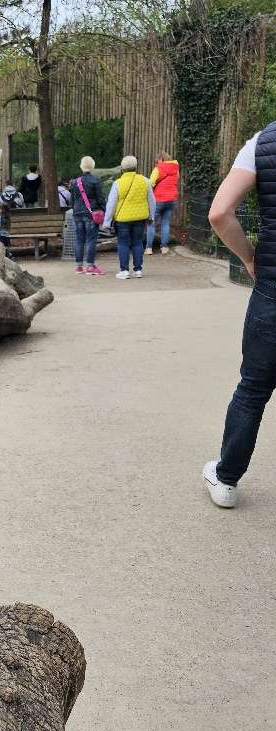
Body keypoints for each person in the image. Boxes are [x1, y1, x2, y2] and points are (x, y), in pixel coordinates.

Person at [202, 122, 275, 508]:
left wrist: (249, 257)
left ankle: (226, 479)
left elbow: (219, 213)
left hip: (272, 290)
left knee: (253, 389)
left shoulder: (263, 142)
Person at [104, 154, 155, 279]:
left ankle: (124, 270)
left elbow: (111, 203)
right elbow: (152, 200)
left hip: (122, 219)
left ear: (122, 168)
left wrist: (107, 221)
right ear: (136, 167)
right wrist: (151, 216)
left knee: (123, 243)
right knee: (138, 242)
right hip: (140, 217)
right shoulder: (145, 181)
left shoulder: (118, 183)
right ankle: (138, 270)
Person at [71, 156, 107, 276]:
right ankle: (90, 266)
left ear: (81, 166)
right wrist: (104, 210)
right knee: (91, 239)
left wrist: (75, 210)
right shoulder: (95, 181)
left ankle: (79, 267)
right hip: (91, 214)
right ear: (92, 166)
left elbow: (72, 200)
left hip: (77, 214)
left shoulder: (75, 182)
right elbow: (101, 198)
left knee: (79, 240)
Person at [147, 151, 180, 255]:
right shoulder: (176, 168)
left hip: (158, 199)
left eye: (157, 161)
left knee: (152, 223)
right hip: (171, 199)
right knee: (165, 223)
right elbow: (176, 180)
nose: (156, 163)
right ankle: (164, 247)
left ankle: (149, 248)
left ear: (161, 159)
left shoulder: (158, 169)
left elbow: (150, 184)